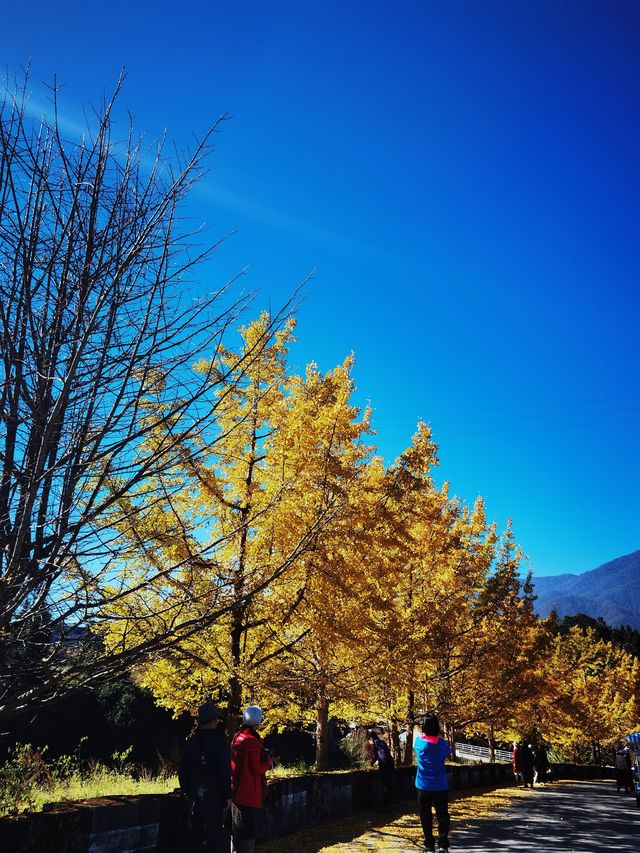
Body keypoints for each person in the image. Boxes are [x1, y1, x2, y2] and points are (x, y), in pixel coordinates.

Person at [179, 701, 231, 853]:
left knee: (195, 840)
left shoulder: (192, 742)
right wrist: (228, 795)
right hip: (215, 796)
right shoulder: (220, 741)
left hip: (195, 796)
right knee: (213, 840)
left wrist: (189, 791)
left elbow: (183, 771)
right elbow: (224, 771)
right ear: (214, 720)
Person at [230, 705, 273, 853]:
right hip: (250, 794)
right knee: (248, 834)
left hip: (236, 791)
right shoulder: (253, 741)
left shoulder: (237, 737)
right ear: (258, 721)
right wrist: (268, 762)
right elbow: (256, 768)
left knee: (236, 832)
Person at [414, 714, 452, 853]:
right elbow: (448, 751)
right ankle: (442, 843)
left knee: (425, 814)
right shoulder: (441, 744)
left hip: (423, 784)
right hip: (440, 784)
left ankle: (429, 844)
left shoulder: (418, 743)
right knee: (442, 815)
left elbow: (418, 744)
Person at [367, 729, 395, 809]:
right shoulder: (382, 742)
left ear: (371, 739)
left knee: (384, 784)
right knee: (389, 784)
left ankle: (385, 805)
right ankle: (389, 803)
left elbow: (375, 756)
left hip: (384, 764)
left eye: (369, 740)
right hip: (390, 763)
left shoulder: (374, 744)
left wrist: (371, 763)